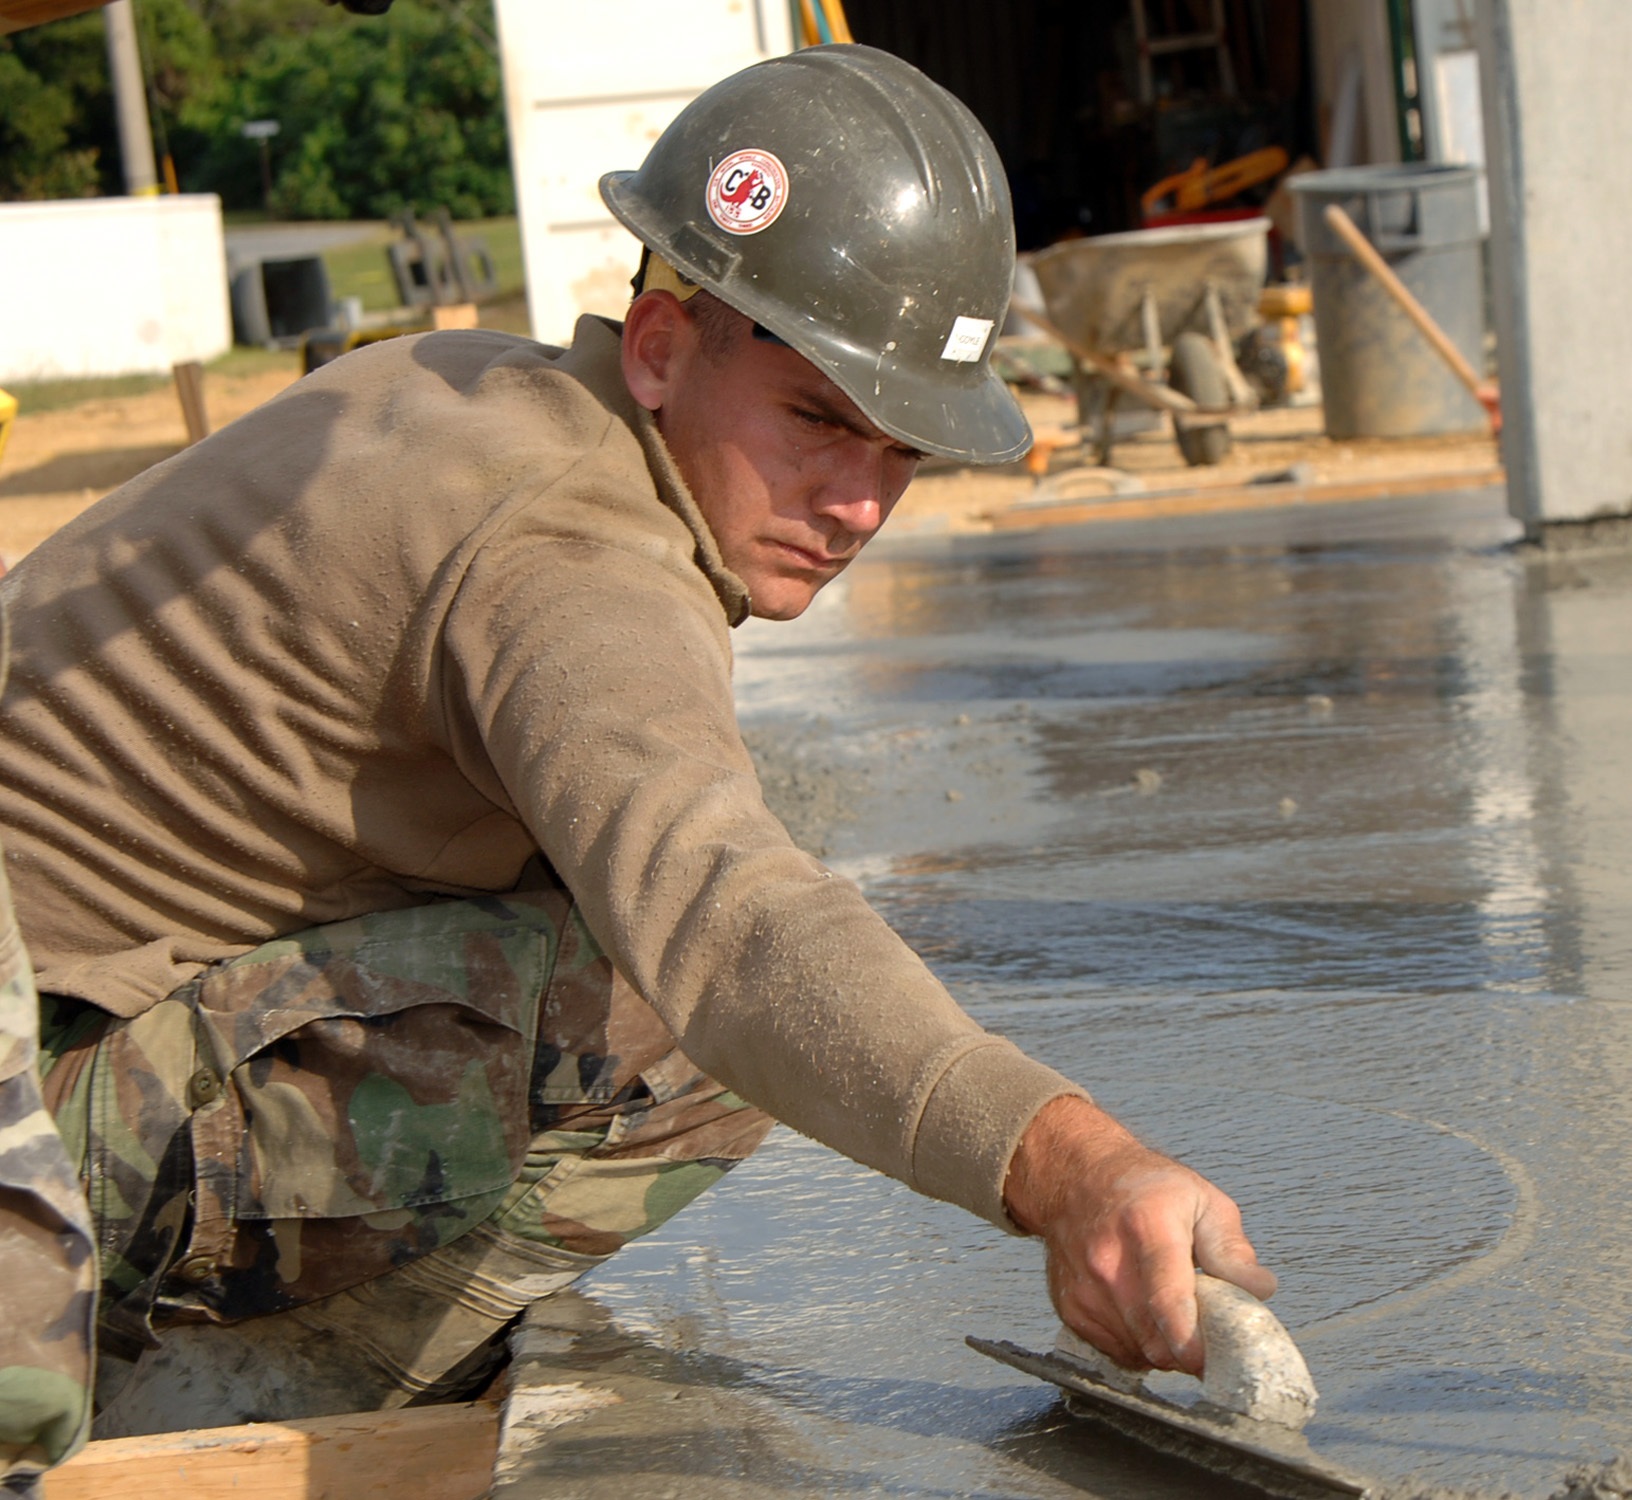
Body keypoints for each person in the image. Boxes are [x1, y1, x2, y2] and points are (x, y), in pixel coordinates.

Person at [0, 43, 1271, 1462]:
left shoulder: (474, 385)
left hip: (46, 1024)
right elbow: (730, 928)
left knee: (610, 926)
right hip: (26, 1135)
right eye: (816, 422)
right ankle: (238, 1400)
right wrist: (1066, 1161)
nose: (855, 504)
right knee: (679, 1034)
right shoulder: (575, 557)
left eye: (900, 453)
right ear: (663, 345)